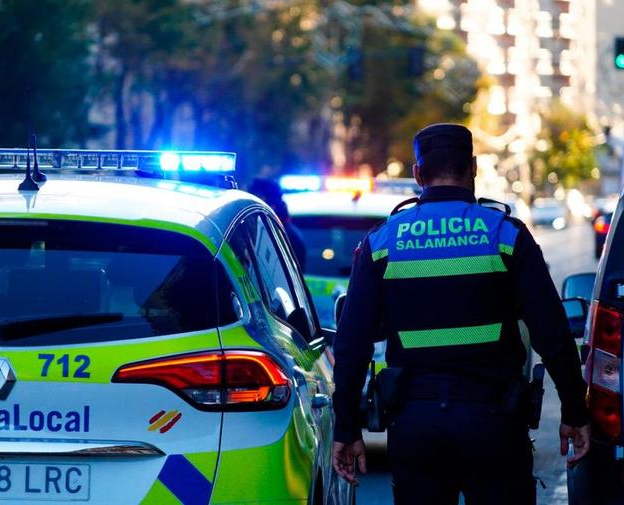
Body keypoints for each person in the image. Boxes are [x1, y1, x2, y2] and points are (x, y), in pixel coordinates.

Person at [331, 123, 590, 504]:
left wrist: (346, 428)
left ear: (418, 174)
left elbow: (352, 344)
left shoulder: (382, 242)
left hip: (415, 425)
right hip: (494, 421)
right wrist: (574, 409)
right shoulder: (506, 234)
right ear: (473, 168)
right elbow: (551, 332)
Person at [248, 177, 307, 271]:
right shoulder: (283, 231)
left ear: (271, 206)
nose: (251, 207)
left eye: (257, 199)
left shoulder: (286, 236)